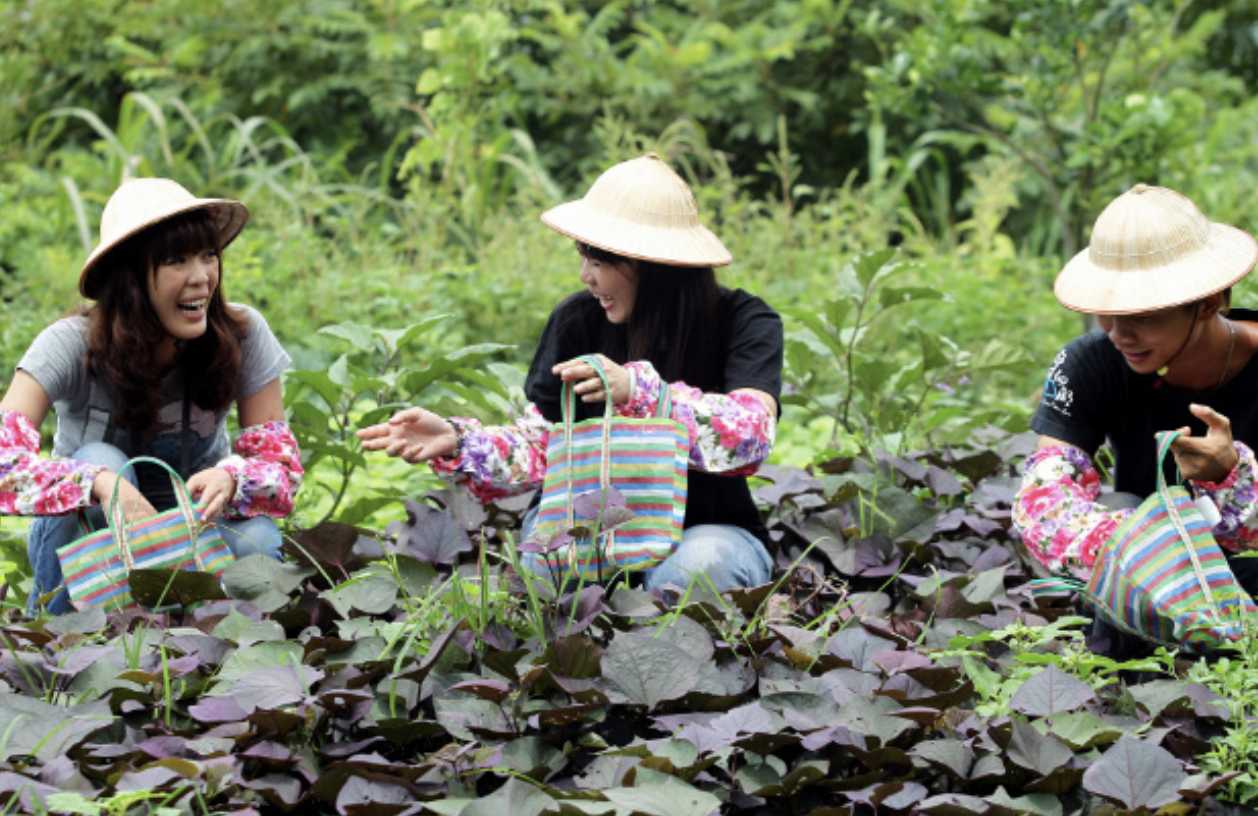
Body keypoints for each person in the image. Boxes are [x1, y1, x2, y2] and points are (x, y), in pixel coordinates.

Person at [359, 154, 782, 592]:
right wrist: (460, 442)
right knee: (549, 566)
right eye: (584, 259)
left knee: (699, 568)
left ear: (653, 265)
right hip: (586, 524)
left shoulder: (744, 321)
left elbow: (750, 435)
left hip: (708, 527)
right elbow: (542, 443)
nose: (586, 277)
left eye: (599, 263)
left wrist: (637, 392)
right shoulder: (577, 322)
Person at [0, 177, 304, 615]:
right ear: (130, 278)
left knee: (257, 538)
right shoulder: (68, 345)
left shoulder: (242, 335)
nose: (201, 278)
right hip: (93, 537)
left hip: (194, 526)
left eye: (208, 255)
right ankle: (56, 638)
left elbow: (281, 465)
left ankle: (234, 654)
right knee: (102, 458)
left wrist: (233, 476)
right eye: (176, 260)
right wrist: (101, 485)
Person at [1013, 183, 1258, 656]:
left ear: (1208, 303)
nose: (1120, 333)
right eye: (1110, 311)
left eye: (1143, 315)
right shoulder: (1091, 363)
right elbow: (1045, 501)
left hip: (1246, 571)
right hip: (1146, 581)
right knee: (1119, 504)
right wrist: (1155, 553)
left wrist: (1231, 479)